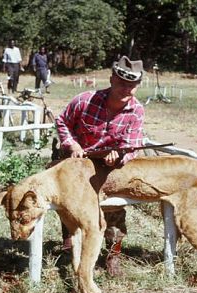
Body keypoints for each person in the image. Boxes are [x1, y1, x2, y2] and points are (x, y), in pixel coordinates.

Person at [55, 55, 145, 275]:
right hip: (76, 160)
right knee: (69, 204)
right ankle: (70, 244)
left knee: (114, 209)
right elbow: (62, 122)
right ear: (112, 79)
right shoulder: (85, 100)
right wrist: (72, 145)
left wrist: (119, 156)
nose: (127, 89)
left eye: (132, 85)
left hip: (107, 165)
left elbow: (130, 146)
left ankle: (113, 254)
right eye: (122, 83)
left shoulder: (136, 111)